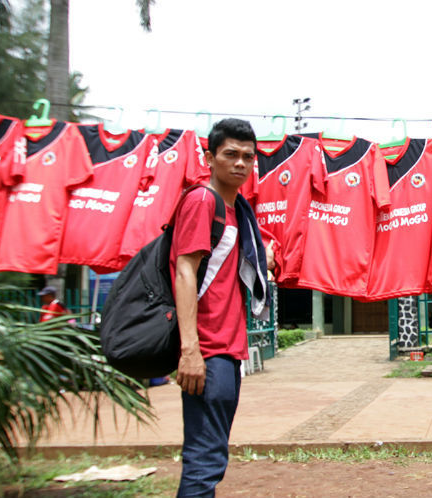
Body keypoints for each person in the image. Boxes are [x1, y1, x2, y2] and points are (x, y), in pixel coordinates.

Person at [171, 118, 275, 497]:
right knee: (205, 459)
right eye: (230, 154)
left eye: (248, 157)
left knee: (210, 456)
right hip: (208, 349)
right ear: (209, 158)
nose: (241, 163)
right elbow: (185, 271)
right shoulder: (203, 201)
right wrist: (190, 350)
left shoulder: (237, 212)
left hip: (227, 350)